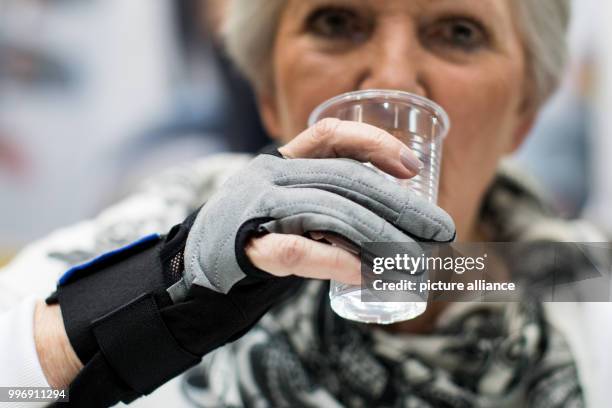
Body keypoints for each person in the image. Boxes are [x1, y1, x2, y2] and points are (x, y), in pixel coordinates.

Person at [1, 0, 608, 406]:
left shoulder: (582, 283)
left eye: (458, 32)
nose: (391, 78)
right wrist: (161, 292)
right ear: (268, 92)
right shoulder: (122, 254)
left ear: (523, 116)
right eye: (337, 22)